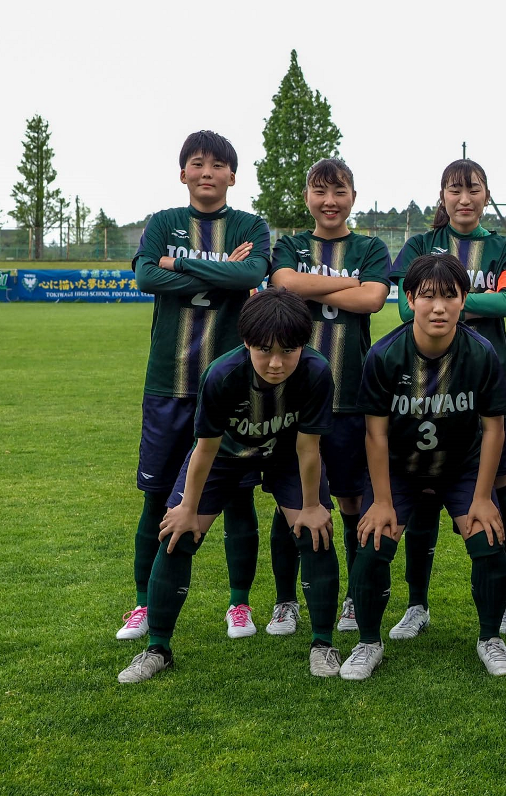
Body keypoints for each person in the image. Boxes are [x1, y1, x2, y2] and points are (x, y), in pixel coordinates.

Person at [118, 288, 340, 682]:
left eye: (288, 352)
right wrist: (187, 507)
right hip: (224, 455)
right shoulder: (222, 373)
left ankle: (323, 645)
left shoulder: (318, 371)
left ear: (303, 346)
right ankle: (157, 649)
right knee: (178, 535)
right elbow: (204, 449)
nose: (276, 363)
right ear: (246, 342)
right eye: (264, 351)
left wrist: (310, 506)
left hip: (286, 453)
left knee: (315, 531)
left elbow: (309, 448)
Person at [118, 130, 271, 643]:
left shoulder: (251, 225)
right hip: (168, 382)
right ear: (182, 173)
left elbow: (252, 272)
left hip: (233, 387)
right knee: (156, 496)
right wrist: (223, 272)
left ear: (232, 174)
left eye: (218, 165)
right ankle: (141, 604)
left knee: (239, 497)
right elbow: (144, 278)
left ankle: (240, 604)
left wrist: (179, 263)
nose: (207, 172)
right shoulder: (162, 223)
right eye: (197, 164)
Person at [340, 253, 506, 680]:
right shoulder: (384, 355)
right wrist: (381, 500)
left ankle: (491, 637)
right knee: (373, 543)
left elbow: (494, 429)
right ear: (410, 299)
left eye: (449, 297)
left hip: (461, 467)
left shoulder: (481, 353)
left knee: (489, 540)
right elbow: (375, 434)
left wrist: (481, 496)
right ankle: (368, 642)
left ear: (464, 300)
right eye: (428, 297)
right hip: (401, 468)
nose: (438, 307)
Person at [386, 160, 506, 640]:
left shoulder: (504, 247)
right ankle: (417, 605)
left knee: (498, 490)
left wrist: (446, 300)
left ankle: (503, 601)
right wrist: (457, 301)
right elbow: (404, 306)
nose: (464, 198)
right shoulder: (420, 246)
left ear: (487, 194)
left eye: (473, 189)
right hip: (421, 390)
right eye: (454, 189)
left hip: (486, 385)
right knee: (422, 496)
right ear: (441, 196)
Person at [266, 158, 390, 637]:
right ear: (307, 198)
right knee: (291, 500)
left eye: (339, 192)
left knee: (354, 500)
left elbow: (374, 299)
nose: (330, 201)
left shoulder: (370, 246)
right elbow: (283, 283)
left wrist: (312, 289)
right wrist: (347, 283)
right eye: (320, 192)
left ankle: (354, 601)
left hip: (351, 395)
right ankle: (285, 601)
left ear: (353, 198)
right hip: (291, 397)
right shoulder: (293, 245)